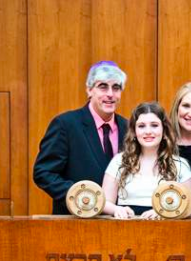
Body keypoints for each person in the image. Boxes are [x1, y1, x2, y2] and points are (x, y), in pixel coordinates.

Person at [33, 61, 128, 214]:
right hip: (75, 222)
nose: (110, 93)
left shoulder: (129, 128)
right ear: (89, 90)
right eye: (103, 86)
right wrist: (80, 195)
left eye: (116, 87)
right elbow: (44, 173)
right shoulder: (65, 124)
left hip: (119, 222)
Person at [102, 101, 191, 219]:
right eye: (141, 126)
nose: (148, 131)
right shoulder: (119, 161)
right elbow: (104, 202)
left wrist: (165, 213)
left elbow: (190, 207)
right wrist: (116, 209)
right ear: (134, 132)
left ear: (164, 131)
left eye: (154, 125)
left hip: (168, 230)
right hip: (125, 229)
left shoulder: (181, 165)